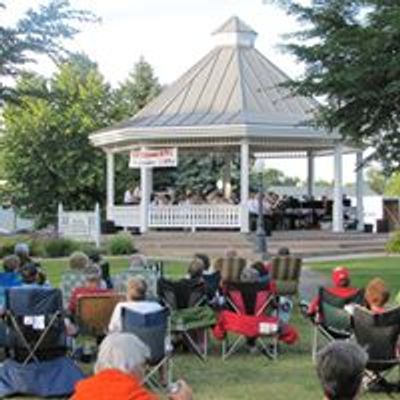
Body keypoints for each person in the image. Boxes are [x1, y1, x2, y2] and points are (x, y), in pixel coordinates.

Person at [71, 332, 192, 400]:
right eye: (143, 364)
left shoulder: (80, 393)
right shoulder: (137, 396)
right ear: (134, 366)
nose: (144, 370)